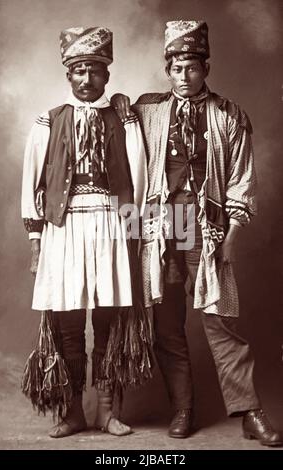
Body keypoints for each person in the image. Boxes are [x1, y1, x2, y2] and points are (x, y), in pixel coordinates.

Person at [112, 20, 282, 446]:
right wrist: (117, 102)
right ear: (166, 70)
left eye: (191, 67)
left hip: (208, 230)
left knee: (221, 322)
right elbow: (117, 123)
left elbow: (242, 180)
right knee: (166, 323)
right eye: (175, 68)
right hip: (157, 229)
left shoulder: (229, 115)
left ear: (205, 68)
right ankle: (183, 408)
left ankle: (249, 412)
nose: (183, 76)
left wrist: (232, 236)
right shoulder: (148, 109)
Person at [21, 26, 150, 438]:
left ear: (106, 75)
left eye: (94, 70)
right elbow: (33, 185)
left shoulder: (124, 119)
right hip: (63, 226)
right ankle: (74, 410)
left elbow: (139, 175)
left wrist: (134, 228)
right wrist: (37, 242)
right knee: (69, 321)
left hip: (111, 222)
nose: (86, 78)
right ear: (68, 75)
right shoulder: (49, 121)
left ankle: (107, 411)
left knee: (110, 318)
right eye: (78, 70)